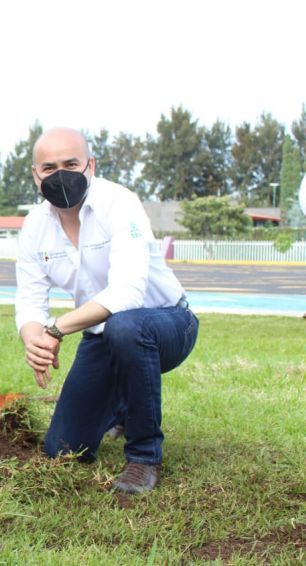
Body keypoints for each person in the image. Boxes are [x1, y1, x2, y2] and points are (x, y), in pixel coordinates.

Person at [15, 127, 199, 494]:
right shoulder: (34, 226)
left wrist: (55, 330)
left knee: (126, 327)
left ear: (91, 166)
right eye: (49, 167)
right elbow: (30, 299)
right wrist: (33, 338)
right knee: (64, 450)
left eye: (71, 163)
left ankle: (144, 457)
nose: (61, 174)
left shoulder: (119, 203)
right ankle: (119, 407)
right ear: (35, 175)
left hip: (166, 324)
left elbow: (128, 294)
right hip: (103, 335)